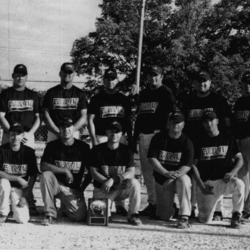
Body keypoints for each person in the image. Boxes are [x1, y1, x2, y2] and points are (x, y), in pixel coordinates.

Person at [181, 70, 232, 220]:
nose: (202, 84)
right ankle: (191, 207)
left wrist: (226, 140)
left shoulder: (219, 100)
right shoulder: (189, 100)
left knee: (217, 172)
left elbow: (227, 122)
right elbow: (182, 122)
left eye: (205, 81)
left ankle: (217, 210)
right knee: (192, 174)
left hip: (213, 142)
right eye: (199, 81)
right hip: (193, 143)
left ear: (210, 83)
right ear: (194, 83)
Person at [131, 65, 176, 218]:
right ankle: (153, 203)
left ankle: (166, 203)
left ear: (161, 77)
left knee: (159, 172)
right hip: (144, 135)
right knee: (147, 172)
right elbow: (140, 118)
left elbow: (169, 118)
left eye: (156, 75)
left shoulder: (166, 93)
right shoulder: (143, 94)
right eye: (150, 75)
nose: (153, 78)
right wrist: (134, 138)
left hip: (158, 135)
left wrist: (164, 139)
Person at [88, 68, 132, 216]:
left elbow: (128, 121)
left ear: (117, 80)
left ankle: (120, 204)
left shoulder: (123, 99)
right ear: (103, 80)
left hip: (119, 136)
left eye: (113, 78)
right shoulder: (97, 98)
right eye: (107, 78)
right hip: (101, 135)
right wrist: (94, 139)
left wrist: (129, 138)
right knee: (103, 168)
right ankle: (104, 193)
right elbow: (90, 120)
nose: (110, 81)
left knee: (119, 168)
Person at [192, 110, 244, 228]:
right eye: (206, 121)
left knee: (239, 184)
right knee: (204, 219)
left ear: (217, 121)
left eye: (211, 120)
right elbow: (193, 165)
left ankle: (236, 215)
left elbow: (240, 159)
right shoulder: (199, 139)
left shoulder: (227, 137)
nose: (209, 123)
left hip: (223, 181)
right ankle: (215, 205)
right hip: (207, 183)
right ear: (203, 124)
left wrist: (232, 172)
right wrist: (201, 186)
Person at [0, 64, 40, 215]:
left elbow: (38, 117)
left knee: (27, 168)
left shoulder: (33, 95)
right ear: (13, 76)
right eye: (17, 74)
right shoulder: (5, 94)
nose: (20, 77)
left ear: (26, 76)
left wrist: (30, 134)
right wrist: (11, 132)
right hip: (9, 133)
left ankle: (29, 199)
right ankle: (5, 201)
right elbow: (1, 116)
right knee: (6, 165)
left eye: (23, 75)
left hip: (27, 135)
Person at [40, 116, 91, 226]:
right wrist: (65, 171)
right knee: (46, 175)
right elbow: (43, 166)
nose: (66, 130)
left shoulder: (83, 147)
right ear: (59, 129)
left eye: (69, 127)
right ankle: (50, 214)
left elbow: (91, 170)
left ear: (73, 129)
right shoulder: (52, 145)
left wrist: (82, 188)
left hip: (72, 189)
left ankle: (64, 206)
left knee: (79, 216)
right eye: (63, 127)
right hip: (56, 185)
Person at [90, 120, 142, 226]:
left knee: (134, 183)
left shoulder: (126, 151)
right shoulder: (97, 150)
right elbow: (93, 172)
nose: (114, 134)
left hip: (121, 188)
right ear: (106, 132)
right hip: (103, 188)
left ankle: (133, 214)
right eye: (111, 131)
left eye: (117, 132)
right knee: (100, 218)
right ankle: (108, 210)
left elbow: (131, 172)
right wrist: (107, 181)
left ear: (121, 134)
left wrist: (113, 179)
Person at [147, 111, 193, 228]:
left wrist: (172, 178)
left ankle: (184, 216)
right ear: (168, 123)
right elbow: (151, 159)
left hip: (177, 178)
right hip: (162, 178)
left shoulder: (187, 141)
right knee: (164, 216)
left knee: (184, 180)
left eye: (178, 122)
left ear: (183, 124)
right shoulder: (158, 138)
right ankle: (172, 208)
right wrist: (166, 173)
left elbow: (187, 165)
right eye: (173, 122)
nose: (175, 125)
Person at [0, 123, 38, 225]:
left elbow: (33, 175)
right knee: (3, 182)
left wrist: (25, 196)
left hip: (20, 190)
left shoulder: (29, 152)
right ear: (8, 135)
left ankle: (13, 206)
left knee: (22, 219)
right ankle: (3, 213)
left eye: (18, 134)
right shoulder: (2, 150)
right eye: (12, 134)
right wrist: (17, 178)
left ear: (22, 136)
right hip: (4, 187)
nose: (15, 137)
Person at [42, 62, 88, 142]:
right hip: (54, 133)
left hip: (73, 132)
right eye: (65, 72)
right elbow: (46, 114)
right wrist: (57, 131)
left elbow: (84, 116)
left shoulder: (80, 93)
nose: (67, 74)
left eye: (70, 72)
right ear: (60, 73)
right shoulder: (51, 92)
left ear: (74, 74)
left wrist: (71, 131)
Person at [233, 70, 250, 219]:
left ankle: (247, 209)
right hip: (240, 140)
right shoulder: (239, 102)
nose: (248, 86)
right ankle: (244, 209)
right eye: (245, 83)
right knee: (243, 176)